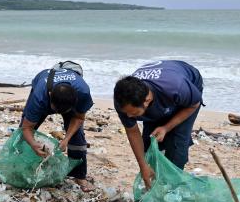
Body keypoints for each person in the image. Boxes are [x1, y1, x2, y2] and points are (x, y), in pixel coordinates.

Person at [114, 60, 204, 190]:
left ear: (147, 101)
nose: (128, 117)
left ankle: (173, 187)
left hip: (187, 90)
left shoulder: (177, 88)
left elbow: (194, 104)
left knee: (176, 143)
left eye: (133, 113)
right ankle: (155, 182)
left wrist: (166, 127)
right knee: (150, 143)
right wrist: (143, 166)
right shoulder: (122, 102)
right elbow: (132, 131)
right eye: (126, 113)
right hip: (160, 92)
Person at [20, 61, 94, 191]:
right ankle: (19, 166)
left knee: (77, 138)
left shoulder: (83, 92)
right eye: (56, 110)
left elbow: (79, 118)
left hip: (68, 98)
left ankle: (79, 176)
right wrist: (32, 143)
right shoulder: (39, 96)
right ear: (49, 97)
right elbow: (26, 127)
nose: (58, 114)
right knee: (24, 135)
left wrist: (67, 139)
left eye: (63, 111)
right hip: (43, 83)